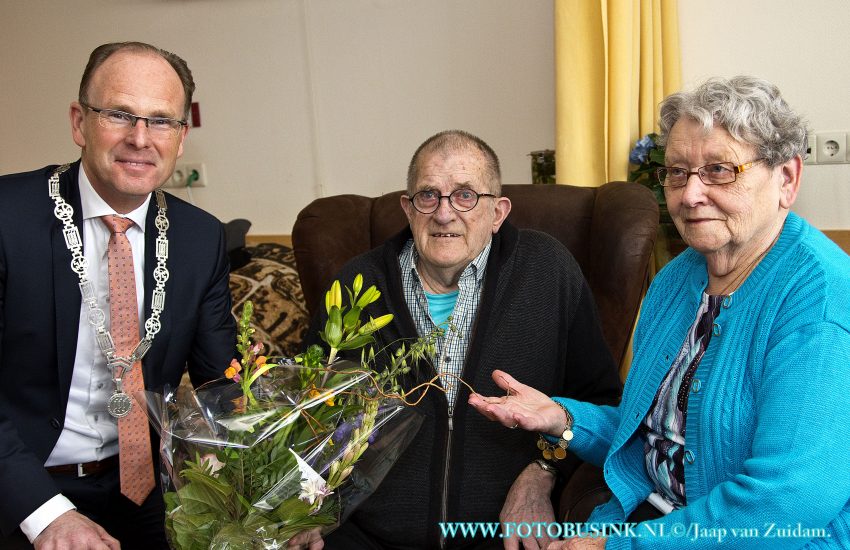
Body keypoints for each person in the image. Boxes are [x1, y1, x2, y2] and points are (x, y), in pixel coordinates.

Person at [469, 76, 850, 549]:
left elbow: (788, 500)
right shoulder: (676, 279)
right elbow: (656, 432)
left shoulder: (820, 303)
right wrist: (561, 417)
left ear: (786, 179)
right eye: (677, 172)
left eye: (719, 170)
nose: (690, 195)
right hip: (650, 521)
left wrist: (616, 546)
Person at [306, 130, 623, 549]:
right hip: (365, 536)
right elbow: (308, 410)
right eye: (428, 195)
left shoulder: (548, 270)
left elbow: (600, 402)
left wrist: (543, 473)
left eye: (465, 196)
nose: (444, 213)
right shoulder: (358, 282)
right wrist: (302, 506)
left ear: (498, 212)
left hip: (498, 537)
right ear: (408, 208)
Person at [0, 42, 236, 549]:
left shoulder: (201, 238)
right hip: (19, 487)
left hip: (146, 488)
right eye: (120, 115)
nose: (140, 138)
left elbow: (222, 386)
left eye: (161, 121)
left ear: (181, 136)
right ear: (79, 122)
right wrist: (48, 517)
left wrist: (278, 487)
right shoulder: (6, 217)